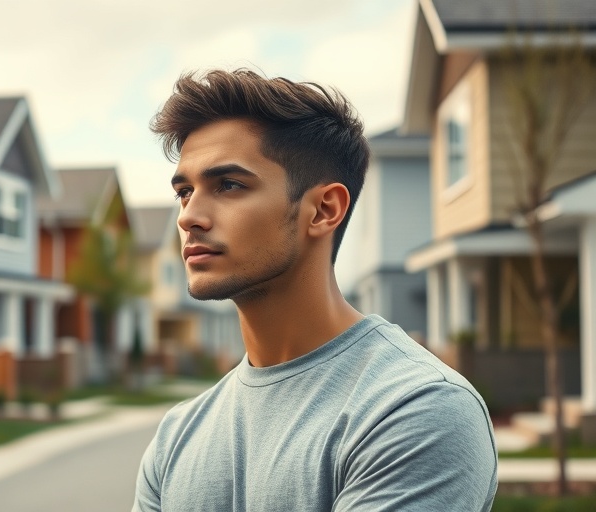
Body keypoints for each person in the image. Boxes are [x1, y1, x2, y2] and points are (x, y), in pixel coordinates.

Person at [132, 69, 497, 511]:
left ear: (324, 210)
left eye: (228, 185)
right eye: (185, 192)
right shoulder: (176, 439)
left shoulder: (416, 409)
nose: (189, 216)